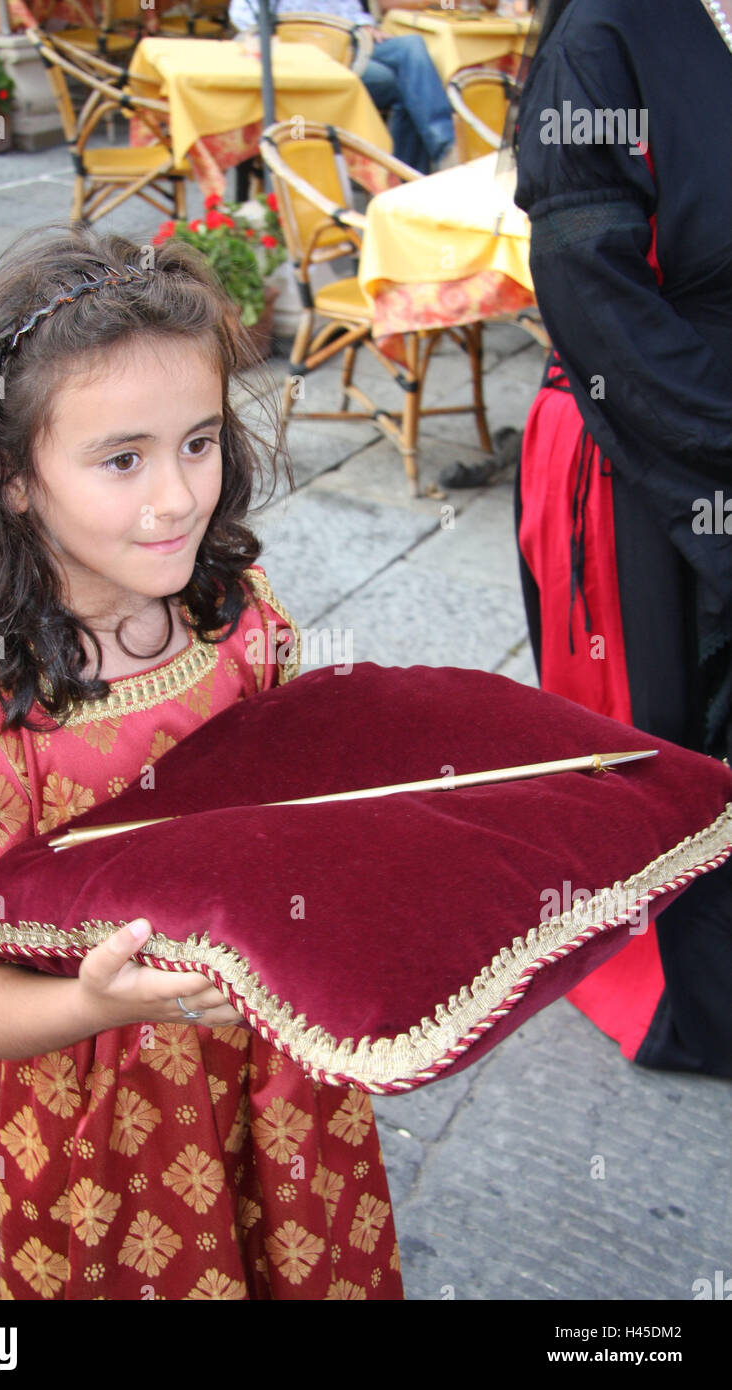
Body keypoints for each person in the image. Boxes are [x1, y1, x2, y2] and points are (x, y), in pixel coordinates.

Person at [0, 227, 402, 1300]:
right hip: (108, 1130)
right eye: (122, 458)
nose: (175, 497)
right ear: (15, 480)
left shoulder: (243, 633)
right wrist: (101, 1004)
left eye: (197, 442)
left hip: (278, 1072)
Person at [512, 0, 732, 1075]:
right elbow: (588, 283)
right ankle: (696, 992)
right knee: (678, 730)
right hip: (642, 428)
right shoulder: (598, 37)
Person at [227, 0, 455, 174]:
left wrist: (364, 24)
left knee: (411, 47)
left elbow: (351, 9)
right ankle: (419, 167)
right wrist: (279, 35)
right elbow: (242, 14)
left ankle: (445, 146)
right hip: (305, 56)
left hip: (349, 43)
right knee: (403, 85)